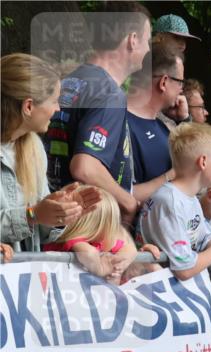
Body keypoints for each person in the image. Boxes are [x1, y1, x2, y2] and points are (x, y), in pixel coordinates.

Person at [46, 2, 151, 225]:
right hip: (83, 226)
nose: (148, 50)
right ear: (133, 40)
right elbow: (85, 167)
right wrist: (128, 202)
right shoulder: (109, 93)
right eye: (147, 40)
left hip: (54, 218)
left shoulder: (68, 81)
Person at [2, 53, 100, 249]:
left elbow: (41, 233)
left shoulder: (34, 149)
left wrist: (60, 211)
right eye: (54, 101)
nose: (58, 109)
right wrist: (32, 214)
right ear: (28, 106)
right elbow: (33, 216)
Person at [138, 122, 211, 281]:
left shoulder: (189, 198)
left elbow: (203, 244)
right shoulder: (169, 202)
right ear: (203, 162)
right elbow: (184, 270)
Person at [44, 185, 158, 281]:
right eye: (111, 223)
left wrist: (121, 262)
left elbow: (129, 247)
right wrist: (102, 269)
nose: (114, 228)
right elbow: (88, 253)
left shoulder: (101, 242)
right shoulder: (71, 241)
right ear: (97, 226)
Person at [127, 44, 184, 202]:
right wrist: (171, 176)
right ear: (163, 82)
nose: (181, 90)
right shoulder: (118, 124)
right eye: (180, 82)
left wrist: (183, 120)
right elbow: (122, 196)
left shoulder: (162, 125)